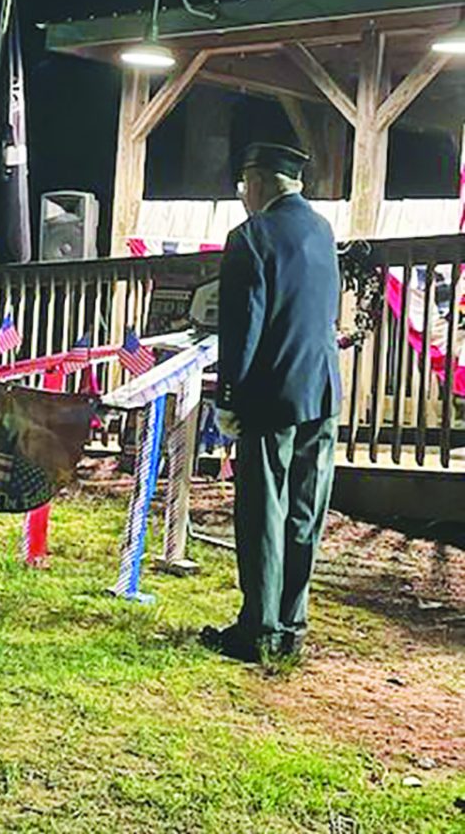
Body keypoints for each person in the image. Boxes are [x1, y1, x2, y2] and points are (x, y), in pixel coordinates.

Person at [201, 142, 341, 663]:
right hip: (322, 389)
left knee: (263, 507)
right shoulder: (323, 232)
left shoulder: (251, 236)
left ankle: (257, 628)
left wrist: (228, 395)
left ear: (257, 182)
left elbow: (243, 325)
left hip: (270, 391)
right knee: (306, 510)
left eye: (244, 185)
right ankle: (293, 625)